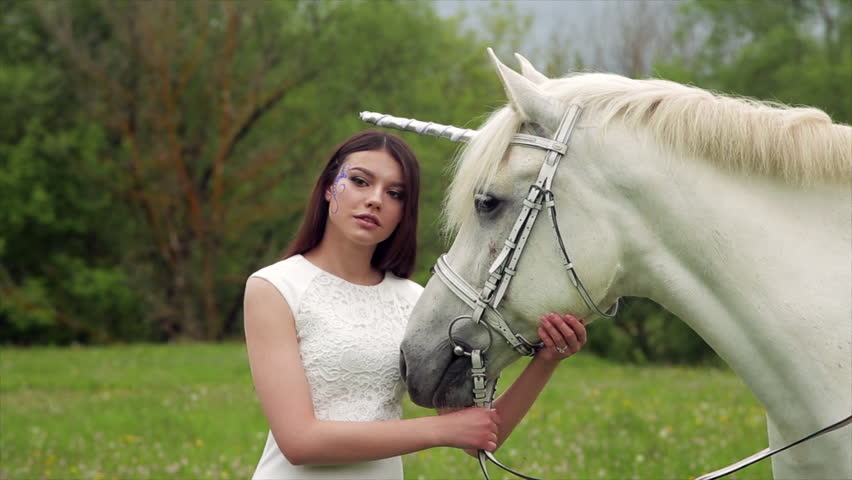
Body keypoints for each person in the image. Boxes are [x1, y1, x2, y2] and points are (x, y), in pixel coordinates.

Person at [243, 130, 588, 480]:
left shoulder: (415, 300)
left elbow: (476, 437)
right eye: (360, 181)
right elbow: (300, 442)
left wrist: (546, 362)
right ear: (330, 188)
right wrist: (440, 431)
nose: (375, 199)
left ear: (403, 213)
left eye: (395, 194)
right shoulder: (275, 287)